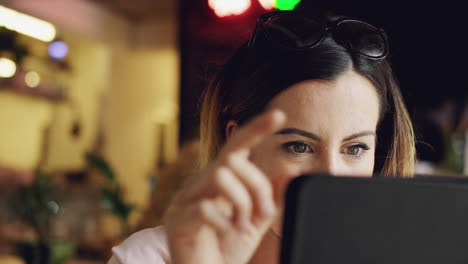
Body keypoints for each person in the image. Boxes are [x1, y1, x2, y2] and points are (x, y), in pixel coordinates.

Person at [108, 10, 415, 264]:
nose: (331, 177)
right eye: (298, 146)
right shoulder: (150, 258)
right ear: (237, 144)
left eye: (356, 148)